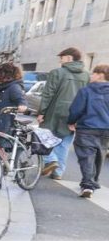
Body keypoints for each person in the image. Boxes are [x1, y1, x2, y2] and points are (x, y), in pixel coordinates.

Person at [39, 47, 90, 180]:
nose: (60, 61)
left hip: (54, 112)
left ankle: (51, 160)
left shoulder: (57, 72)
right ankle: (58, 172)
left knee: (43, 137)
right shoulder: (86, 75)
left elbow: (48, 93)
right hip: (75, 114)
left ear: (68, 58)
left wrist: (41, 112)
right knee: (64, 143)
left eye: (61, 58)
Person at [67, 64, 109, 198]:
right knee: (99, 155)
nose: (91, 76)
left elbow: (76, 109)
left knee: (86, 156)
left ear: (100, 75)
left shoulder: (86, 91)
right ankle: (93, 181)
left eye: (93, 73)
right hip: (106, 129)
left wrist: (71, 121)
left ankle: (88, 185)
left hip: (87, 127)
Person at [0, 63, 27, 141]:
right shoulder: (2, 87)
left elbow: (21, 101)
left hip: (2, 122)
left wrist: (22, 106)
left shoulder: (14, 87)